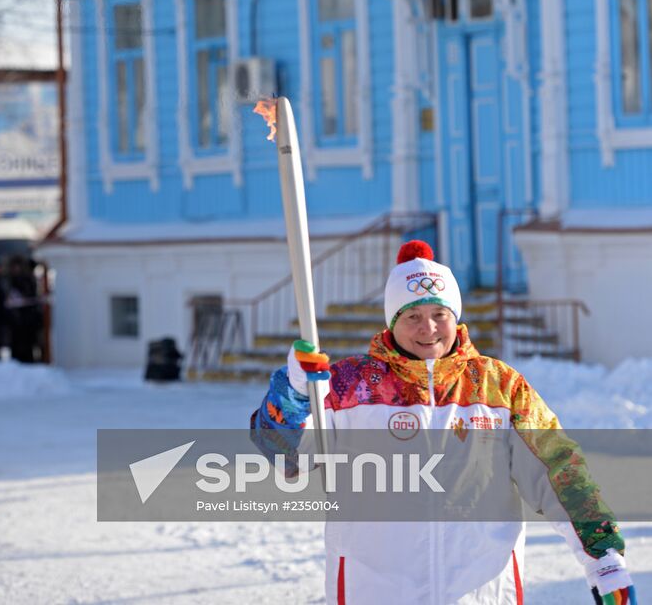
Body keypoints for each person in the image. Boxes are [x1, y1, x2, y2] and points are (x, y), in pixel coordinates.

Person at [252, 240, 637, 605]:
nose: (428, 328)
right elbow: (284, 455)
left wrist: (602, 559)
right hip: (375, 590)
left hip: (481, 592)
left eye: (440, 314)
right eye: (413, 316)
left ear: (455, 317)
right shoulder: (346, 387)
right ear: (392, 321)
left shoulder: (499, 387)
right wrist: (296, 392)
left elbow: (559, 469)